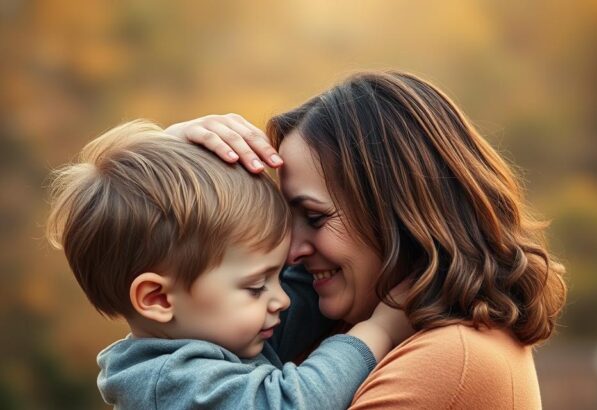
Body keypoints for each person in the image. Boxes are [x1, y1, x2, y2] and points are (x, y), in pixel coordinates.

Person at [167, 70, 567, 409]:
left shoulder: (449, 361)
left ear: (399, 212)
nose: (291, 251)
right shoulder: (346, 319)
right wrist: (167, 164)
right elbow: (173, 335)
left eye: (315, 217)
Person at [45, 120, 412, 409]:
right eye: (257, 286)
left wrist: (177, 145)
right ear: (157, 298)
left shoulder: (223, 332)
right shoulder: (170, 381)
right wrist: (378, 330)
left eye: (276, 274)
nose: (282, 299)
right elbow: (292, 404)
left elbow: (305, 284)